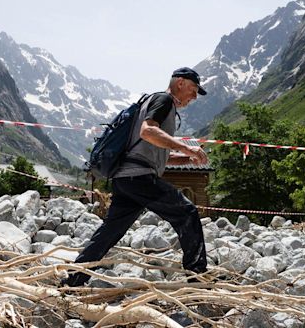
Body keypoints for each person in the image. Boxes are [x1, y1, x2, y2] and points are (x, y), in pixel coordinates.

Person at [63, 67, 209, 286]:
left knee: (110, 232)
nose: (195, 96)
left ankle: (74, 279)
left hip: (126, 178)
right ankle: (197, 276)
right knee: (187, 213)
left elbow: (156, 153)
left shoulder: (152, 103)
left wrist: (186, 158)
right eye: (194, 89)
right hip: (139, 177)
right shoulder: (164, 101)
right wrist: (189, 149)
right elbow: (147, 132)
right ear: (180, 83)